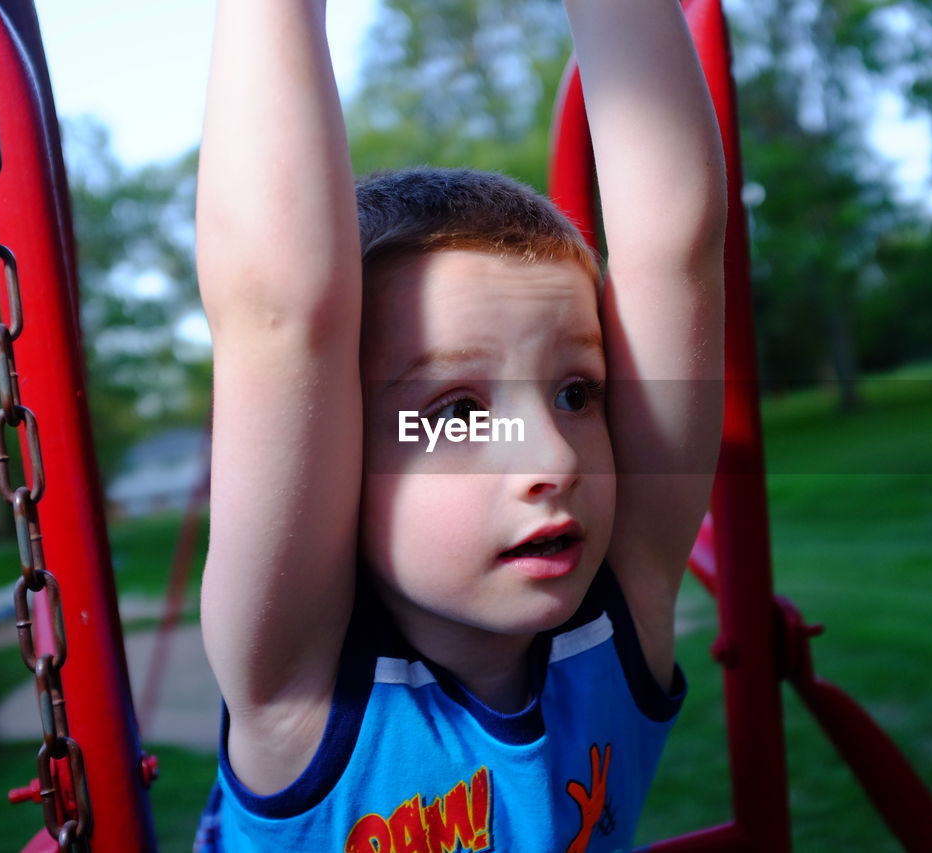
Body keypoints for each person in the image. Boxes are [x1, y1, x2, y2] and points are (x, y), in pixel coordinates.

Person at [194, 0, 724, 849]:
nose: (551, 457)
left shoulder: (615, 621)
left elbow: (677, 246)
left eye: (577, 395)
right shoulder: (304, 693)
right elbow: (279, 312)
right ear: (334, 458)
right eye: (460, 411)